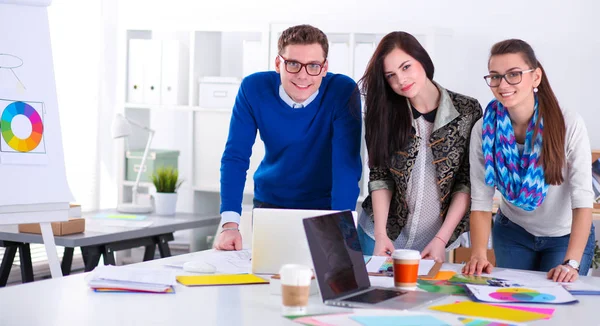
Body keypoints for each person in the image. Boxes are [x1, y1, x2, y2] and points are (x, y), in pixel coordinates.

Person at [214, 24, 362, 251]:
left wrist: (341, 228)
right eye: (293, 64)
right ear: (278, 64)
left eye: (313, 66)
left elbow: (346, 166)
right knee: (268, 277)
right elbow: (236, 157)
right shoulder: (253, 89)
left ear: (324, 68)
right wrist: (229, 225)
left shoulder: (342, 92)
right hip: (271, 205)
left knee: (325, 280)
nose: (303, 75)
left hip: (325, 207)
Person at [463, 39, 595, 282]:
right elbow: (481, 200)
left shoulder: (568, 124)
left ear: (535, 77)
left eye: (514, 74)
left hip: (564, 236)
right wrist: (479, 253)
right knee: (512, 304)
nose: (503, 84)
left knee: (556, 311)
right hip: (512, 232)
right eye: (495, 76)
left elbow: (582, 199)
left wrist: (571, 262)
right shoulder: (484, 129)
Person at [357, 31, 482, 261]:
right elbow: (379, 177)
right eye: (390, 75)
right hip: (379, 237)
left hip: (434, 242)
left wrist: (441, 240)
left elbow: (466, 183)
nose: (400, 80)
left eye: (406, 67)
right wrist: (381, 234)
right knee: (372, 296)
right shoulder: (382, 114)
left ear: (422, 60)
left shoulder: (467, 110)